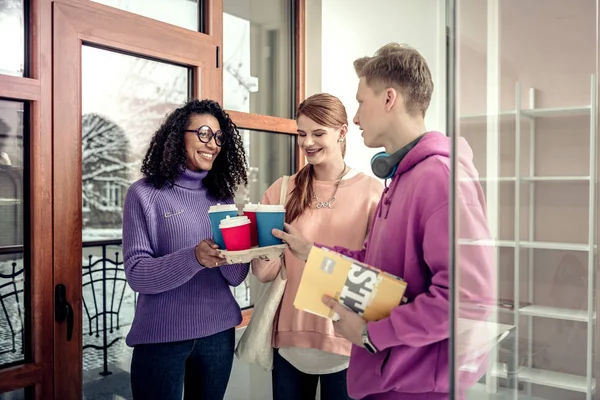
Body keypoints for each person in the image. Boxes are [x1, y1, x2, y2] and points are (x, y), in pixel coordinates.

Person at [272, 44, 494, 400]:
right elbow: (378, 270)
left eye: (361, 102)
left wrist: (369, 333)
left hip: (417, 388)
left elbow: (466, 299)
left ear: (389, 98)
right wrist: (312, 252)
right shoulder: (404, 178)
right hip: (390, 380)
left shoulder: (440, 179)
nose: (356, 117)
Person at [251, 93, 382, 400]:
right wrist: (255, 247)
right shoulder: (281, 190)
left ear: (342, 131)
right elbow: (264, 273)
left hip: (347, 345)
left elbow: (376, 276)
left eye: (318, 133)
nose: (308, 142)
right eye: (302, 134)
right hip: (290, 344)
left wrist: (313, 253)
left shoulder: (372, 194)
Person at [122, 99, 250, 400]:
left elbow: (234, 276)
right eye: (204, 133)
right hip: (160, 337)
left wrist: (247, 248)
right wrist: (194, 257)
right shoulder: (143, 195)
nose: (213, 144)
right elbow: (138, 274)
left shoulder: (222, 198)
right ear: (179, 135)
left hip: (219, 334)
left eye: (219, 137)